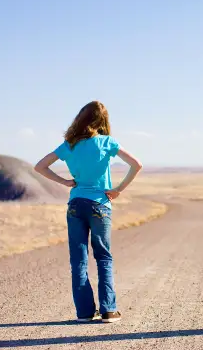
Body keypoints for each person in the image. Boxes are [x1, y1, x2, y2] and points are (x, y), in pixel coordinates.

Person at [34, 100, 142, 323]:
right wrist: (119, 189)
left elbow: (40, 166)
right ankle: (109, 311)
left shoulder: (69, 145)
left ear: (80, 119)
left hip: (75, 205)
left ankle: (84, 312)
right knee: (103, 257)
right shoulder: (107, 142)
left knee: (78, 260)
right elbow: (136, 164)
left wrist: (64, 182)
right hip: (100, 205)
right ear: (103, 120)